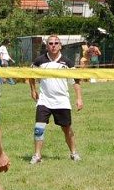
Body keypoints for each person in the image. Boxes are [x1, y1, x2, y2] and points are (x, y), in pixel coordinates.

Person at [28, 35, 83, 163]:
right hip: (44, 100)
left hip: (62, 101)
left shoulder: (67, 62)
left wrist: (79, 98)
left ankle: (74, 153)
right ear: (47, 46)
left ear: (60, 46)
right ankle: (37, 155)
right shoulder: (39, 61)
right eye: (51, 43)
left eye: (56, 43)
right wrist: (33, 90)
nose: (53, 45)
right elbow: (30, 74)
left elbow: (76, 82)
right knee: (38, 128)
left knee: (67, 129)